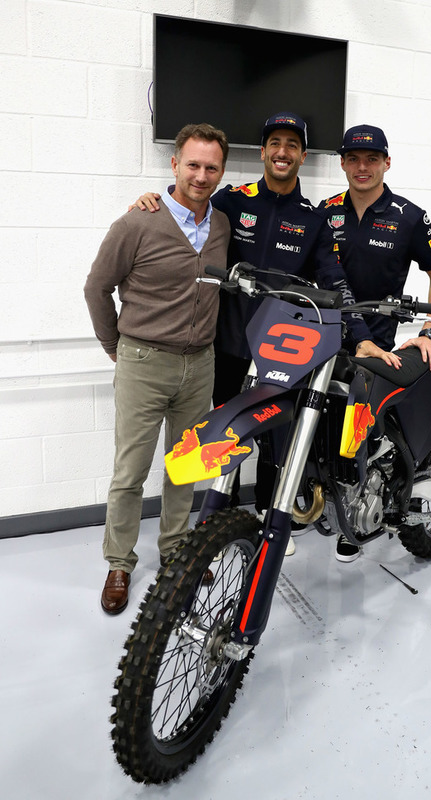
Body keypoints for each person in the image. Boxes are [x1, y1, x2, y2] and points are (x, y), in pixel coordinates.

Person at [131, 112, 366, 557]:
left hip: (285, 351)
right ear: (262, 152)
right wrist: (153, 203)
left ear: (301, 155)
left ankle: (267, 513)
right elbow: (189, 211)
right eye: (274, 142)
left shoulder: (313, 218)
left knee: (278, 437)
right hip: (229, 346)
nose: (282, 151)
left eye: (292, 145)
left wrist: (361, 333)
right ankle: (222, 519)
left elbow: (333, 278)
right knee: (228, 434)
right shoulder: (232, 201)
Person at [84, 123, 230, 615]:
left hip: (200, 366)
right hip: (144, 363)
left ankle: (175, 552)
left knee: (184, 466)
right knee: (130, 471)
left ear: (222, 171)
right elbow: (96, 288)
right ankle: (119, 563)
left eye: (211, 167)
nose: (201, 175)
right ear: (174, 165)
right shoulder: (137, 223)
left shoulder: (223, 225)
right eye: (193, 164)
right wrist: (114, 345)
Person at [319, 124, 431, 562]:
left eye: (371, 158)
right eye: (353, 159)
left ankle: (353, 520)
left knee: (359, 436)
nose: (362, 167)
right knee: (320, 427)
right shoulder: (325, 211)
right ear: (341, 163)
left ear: (386, 163)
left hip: (376, 347)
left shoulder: (408, 215)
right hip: (322, 338)